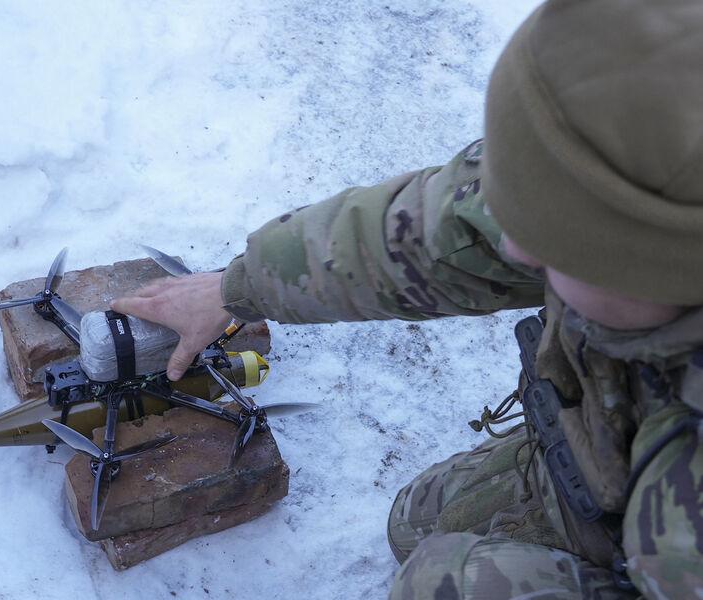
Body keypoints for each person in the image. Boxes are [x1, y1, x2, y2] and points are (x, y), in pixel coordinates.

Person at [113, 0, 703, 597]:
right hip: (597, 447)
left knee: (445, 583)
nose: (517, 249)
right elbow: (446, 231)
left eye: (555, 246)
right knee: (415, 524)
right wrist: (236, 289)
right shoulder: (643, 133)